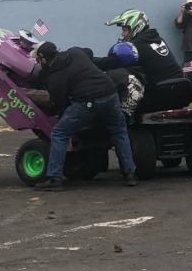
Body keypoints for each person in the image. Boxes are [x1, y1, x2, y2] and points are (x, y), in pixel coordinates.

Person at [30, 41, 138, 191]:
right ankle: (130, 174)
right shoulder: (75, 52)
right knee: (119, 130)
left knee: (59, 132)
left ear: (43, 60)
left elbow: (60, 104)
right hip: (110, 93)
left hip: (88, 103)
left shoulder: (54, 78)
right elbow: (89, 52)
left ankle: (54, 178)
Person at [105, 9, 183, 111]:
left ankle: (123, 126)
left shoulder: (135, 48)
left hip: (157, 97)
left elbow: (112, 63)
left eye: (124, 30)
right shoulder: (158, 40)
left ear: (135, 27)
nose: (122, 34)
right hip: (180, 91)